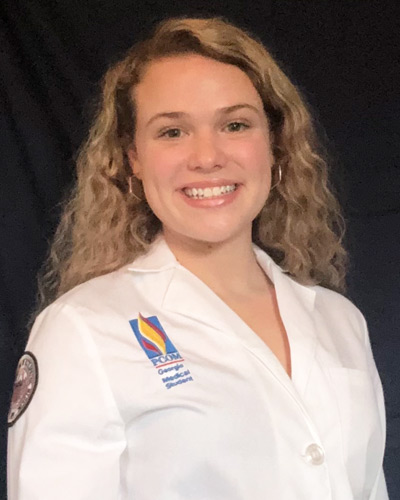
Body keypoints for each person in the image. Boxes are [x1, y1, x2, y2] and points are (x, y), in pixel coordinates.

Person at [7, 16, 388, 500]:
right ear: (133, 159)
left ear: (274, 143)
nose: (207, 157)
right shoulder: (83, 330)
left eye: (235, 124)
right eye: (172, 132)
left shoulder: (340, 321)